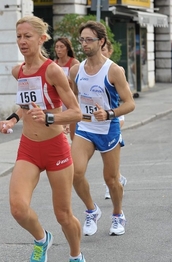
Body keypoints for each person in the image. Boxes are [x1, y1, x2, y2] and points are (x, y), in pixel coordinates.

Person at [0, 16, 86, 262]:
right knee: (18, 208)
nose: (22, 41)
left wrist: (48, 117)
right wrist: (12, 120)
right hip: (28, 147)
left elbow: (76, 111)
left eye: (27, 36)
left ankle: (75, 255)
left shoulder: (52, 70)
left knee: (63, 215)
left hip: (55, 147)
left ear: (41, 39)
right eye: (19, 36)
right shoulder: (19, 71)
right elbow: (26, 105)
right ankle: (41, 239)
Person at [69, 21, 135, 237]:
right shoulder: (76, 70)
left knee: (111, 179)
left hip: (107, 128)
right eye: (82, 40)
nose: (84, 44)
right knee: (75, 173)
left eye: (89, 40)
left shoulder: (113, 70)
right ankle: (92, 210)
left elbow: (129, 103)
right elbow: (73, 101)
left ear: (101, 41)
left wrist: (109, 113)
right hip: (85, 127)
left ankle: (118, 215)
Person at [101, 39, 127, 200]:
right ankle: (119, 177)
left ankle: (109, 185)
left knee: (108, 155)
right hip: (96, 119)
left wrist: (115, 112)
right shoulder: (89, 69)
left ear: (110, 52)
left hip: (115, 114)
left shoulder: (117, 70)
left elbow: (125, 96)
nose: (102, 52)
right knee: (108, 158)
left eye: (104, 49)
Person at [53, 37, 80, 140]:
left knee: (73, 135)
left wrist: (69, 82)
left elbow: (77, 85)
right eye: (56, 47)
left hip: (71, 99)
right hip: (58, 101)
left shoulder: (74, 63)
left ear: (67, 48)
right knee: (59, 133)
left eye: (61, 47)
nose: (59, 49)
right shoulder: (53, 64)